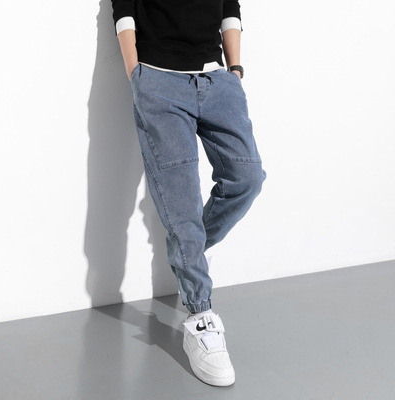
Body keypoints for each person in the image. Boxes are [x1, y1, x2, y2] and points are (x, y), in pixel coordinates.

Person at [110, 0, 266, 386]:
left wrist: (235, 70)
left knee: (247, 178)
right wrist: (135, 73)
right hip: (158, 82)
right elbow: (123, 10)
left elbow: (230, 9)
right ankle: (200, 316)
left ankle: (187, 251)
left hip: (217, 80)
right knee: (182, 203)